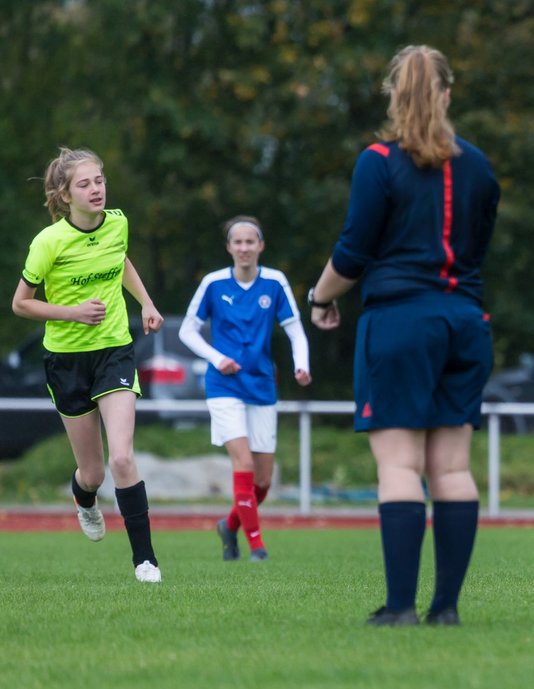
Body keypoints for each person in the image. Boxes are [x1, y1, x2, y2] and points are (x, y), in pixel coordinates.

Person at [308, 45, 499, 627]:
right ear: (446, 94)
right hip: (465, 323)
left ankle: (399, 608)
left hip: (399, 324)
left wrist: (319, 298)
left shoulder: (377, 161)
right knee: (453, 469)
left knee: (399, 467)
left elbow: (353, 252)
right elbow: (479, 246)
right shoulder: (478, 167)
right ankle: (445, 610)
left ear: (394, 94)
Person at [11, 147, 164, 583]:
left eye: (99, 180)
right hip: (66, 360)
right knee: (94, 472)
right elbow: (21, 304)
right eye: (85, 184)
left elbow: (121, 261)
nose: (96, 189)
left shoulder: (118, 222)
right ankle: (84, 497)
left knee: (122, 459)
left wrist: (147, 303)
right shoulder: (48, 242)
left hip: (114, 349)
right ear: (64, 194)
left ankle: (145, 561)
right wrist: (72, 311)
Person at [179, 216, 312, 562]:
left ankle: (230, 524)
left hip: (262, 385)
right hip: (223, 385)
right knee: (243, 462)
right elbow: (187, 332)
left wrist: (302, 365)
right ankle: (257, 546)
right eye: (237, 242)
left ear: (261, 246)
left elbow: (296, 330)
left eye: (250, 241)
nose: (244, 248)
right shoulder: (213, 283)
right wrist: (217, 357)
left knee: (264, 480)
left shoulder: (275, 282)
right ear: (228, 248)